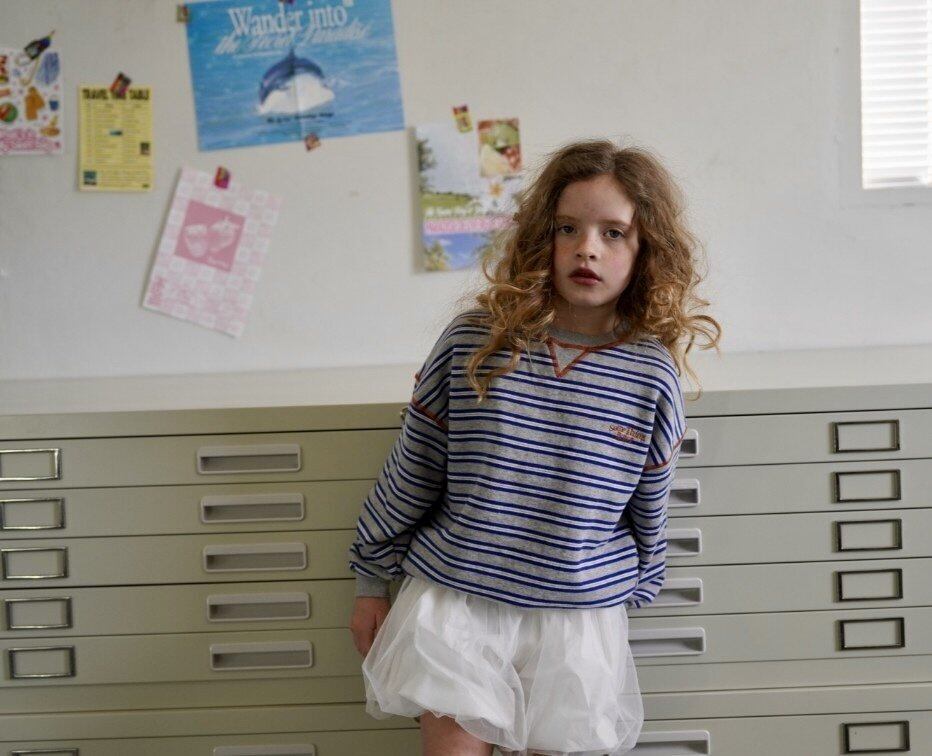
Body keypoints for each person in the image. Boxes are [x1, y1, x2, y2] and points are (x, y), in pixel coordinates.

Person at [347, 138, 722, 756]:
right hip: (458, 605)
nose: (587, 248)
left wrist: (631, 590)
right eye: (567, 228)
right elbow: (413, 469)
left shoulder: (650, 374)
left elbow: (648, 507)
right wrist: (370, 581)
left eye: (614, 233)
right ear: (540, 238)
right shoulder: (474, 343)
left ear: (646, 250)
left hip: (574, 622)